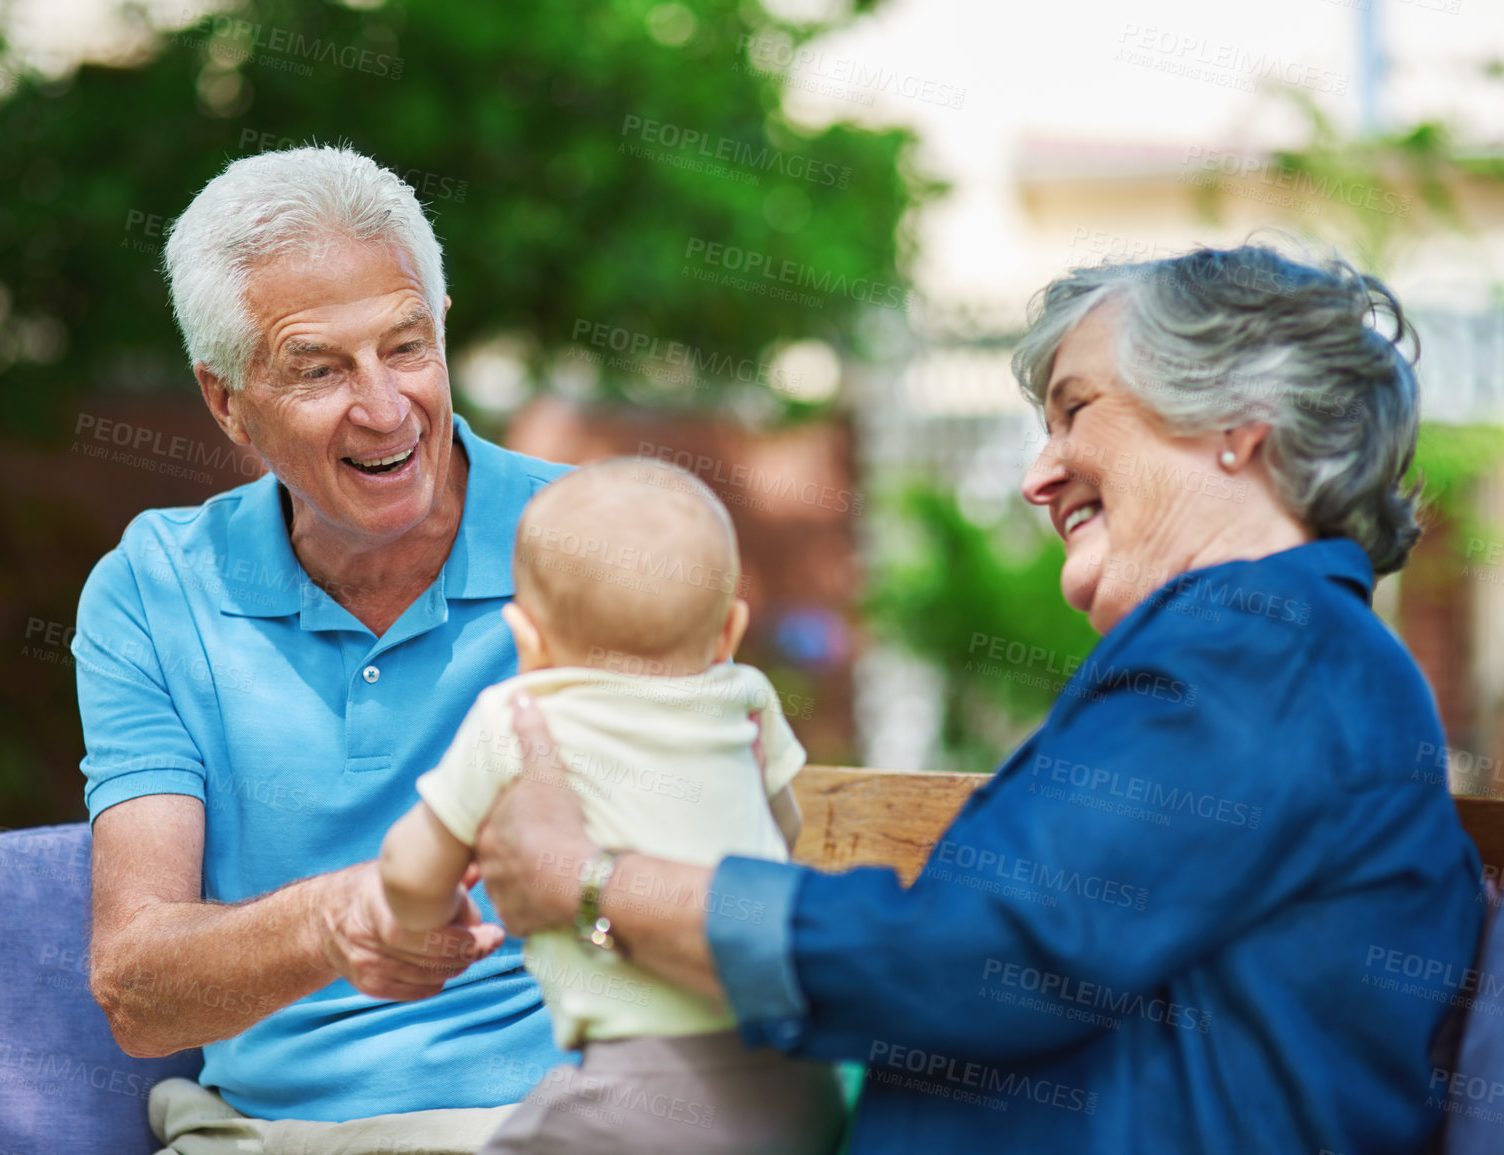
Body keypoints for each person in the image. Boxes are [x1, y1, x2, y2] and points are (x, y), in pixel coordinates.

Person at [473, 243, 1488, 1154]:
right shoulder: (1276, 651)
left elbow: (970, 960)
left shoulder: (1260, 647)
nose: (1037, 479)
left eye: (1076, 411)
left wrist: (595, 878)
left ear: (1237, 425)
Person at [73, 144, 573, 1155]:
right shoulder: (154, 588)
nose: (385, 408)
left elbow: (724, 884)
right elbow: (136, 989)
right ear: (227, 404)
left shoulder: (588, 541)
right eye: (320, 370)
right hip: (265, 1136)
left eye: (406, 348)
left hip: (562, 1122)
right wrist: (341, 919)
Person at [378, 458, 845, 1155]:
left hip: (634, 1097)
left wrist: (422, 917)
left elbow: (411, 871)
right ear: (729, 630)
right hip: (797, 1078)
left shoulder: (517, 712)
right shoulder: (745, 695)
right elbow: (783, 827)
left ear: (525, 640)